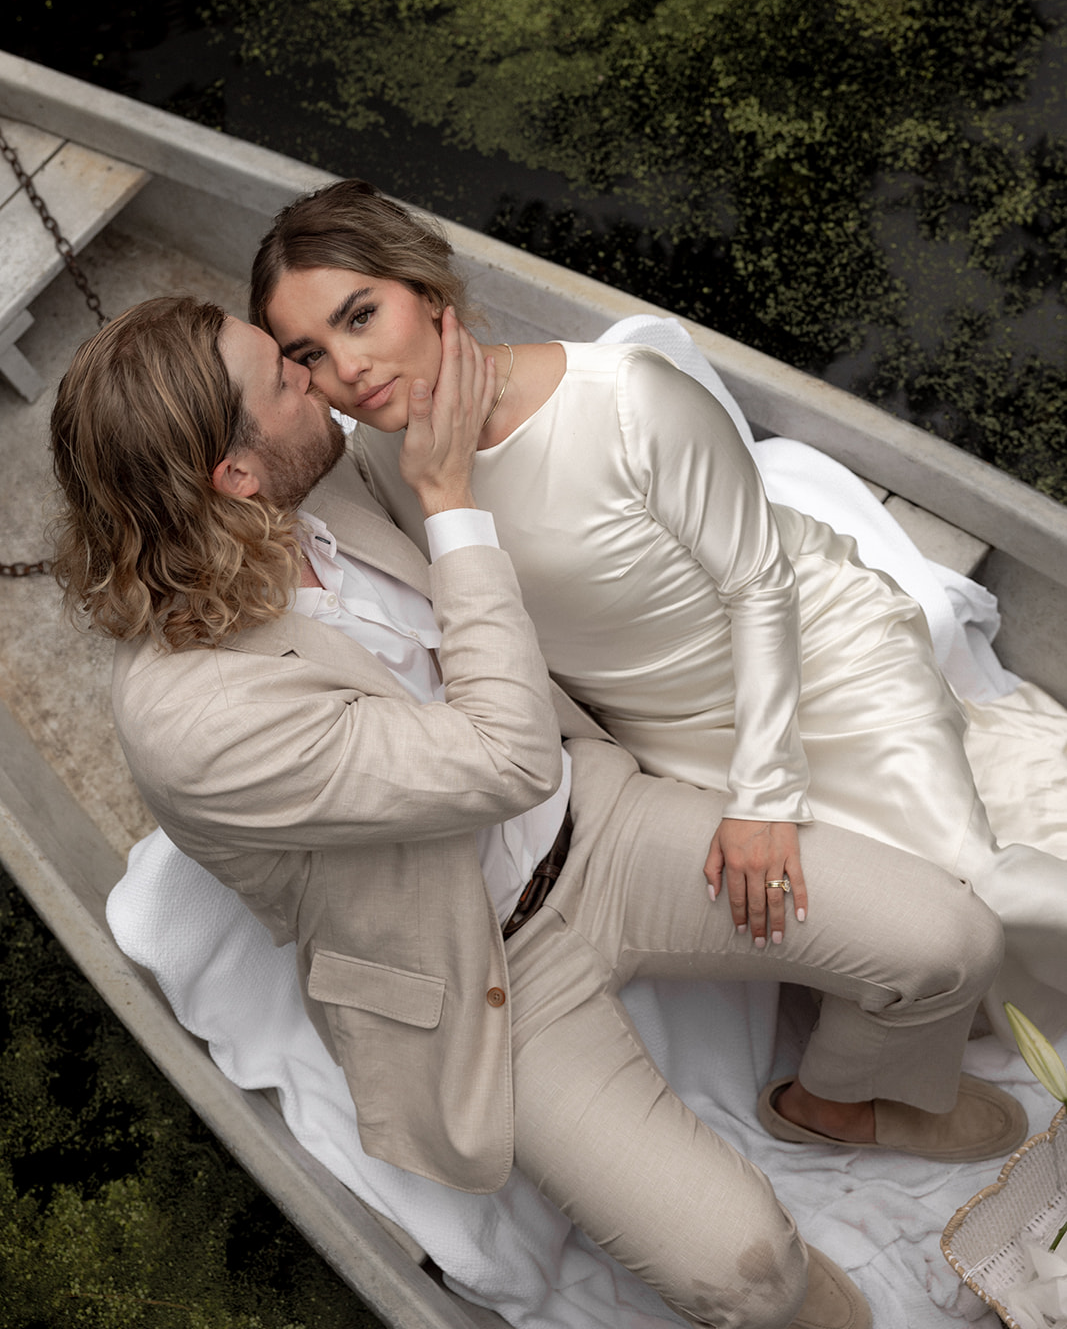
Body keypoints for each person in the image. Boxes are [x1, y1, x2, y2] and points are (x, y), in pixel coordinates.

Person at [51, 295, 1024, 1329]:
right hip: (482, 976)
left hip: (603, 829)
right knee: (746, 1274)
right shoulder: (191, 722)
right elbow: (503, 757)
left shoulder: (307, 486)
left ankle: (835, 1102)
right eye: (287, 380)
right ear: (234, 476)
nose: (318, 386)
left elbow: (443, 372)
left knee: (947, 942)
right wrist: (449, 500)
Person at [249, 178, 1067, 1008]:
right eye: (310, 354)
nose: (349, 368)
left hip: (816, 658)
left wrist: (763, 798)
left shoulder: (628, 400)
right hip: (664, 738)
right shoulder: (386, 465)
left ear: (425, 292)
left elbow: (760, 584)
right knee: (871, 922)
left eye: (360, 316)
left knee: (971, 891)